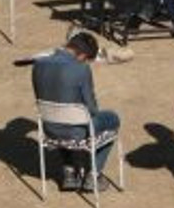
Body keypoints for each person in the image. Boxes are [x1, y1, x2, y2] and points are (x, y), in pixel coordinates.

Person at [31, 32, 121, 192]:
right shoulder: (81, 69)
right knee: (112, 119)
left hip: (49, 128)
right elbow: (92, 109)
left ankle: (69, 173)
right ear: (83, 56)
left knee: (59, 116)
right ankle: (93, 175)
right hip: (76, 130)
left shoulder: (38, 64)